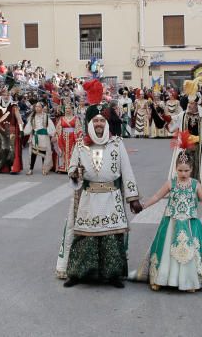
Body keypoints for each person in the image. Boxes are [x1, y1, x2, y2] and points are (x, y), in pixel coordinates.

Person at [58, 111, 141, 288]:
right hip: (89, 197)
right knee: (85, 236)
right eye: (95, 121)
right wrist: (74, 174)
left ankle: (113, 276)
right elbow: (72, 168)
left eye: (102, 121)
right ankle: (77, 274)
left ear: (107, 123)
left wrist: (133, 198)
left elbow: (126, 170)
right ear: (90, 123)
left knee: (111, 236)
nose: (99, 124)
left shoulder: (117, 143)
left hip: (112, 197)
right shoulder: (80, 144)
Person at [138, 153, 202, 292]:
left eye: (186, 170)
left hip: (190, 224)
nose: (183, 173)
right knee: (166, 251)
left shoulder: (195, 184)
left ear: (192, 169)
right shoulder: (171, 182)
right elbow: (158, 196)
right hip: (171, 222)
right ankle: (161, 278)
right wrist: (144, 205)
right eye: (180, 170)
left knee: (189, 251)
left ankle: (189, 280)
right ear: (175, 168)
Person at [168, 87, 202, 195]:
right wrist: (164, 118)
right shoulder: (183, 115)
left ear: (197, 104)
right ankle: (183, 186)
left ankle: (196, 188)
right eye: (189, 103)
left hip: (198, 146)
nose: (189, 105)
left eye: (192, 103)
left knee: (197, 167)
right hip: (186, 146)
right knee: (185, 165)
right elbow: (172, 122)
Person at [0, 88, 23, 174]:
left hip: (11, 130)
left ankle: (12, 166)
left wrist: (21, 130)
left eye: (7, 95)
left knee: (11, 149)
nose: (6, 96)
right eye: (4, 95)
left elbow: (19, 119)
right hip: (0, 130)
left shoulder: (14, 106)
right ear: (1, 96)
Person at [23, 100, 55, 175]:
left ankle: (44, 169)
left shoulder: (46, 117)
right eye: (36, 107)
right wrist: (24, 133)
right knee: (33, 153)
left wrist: (52, 134)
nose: (37, 108)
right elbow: (28, 127)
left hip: (44, 137)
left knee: (44, 153)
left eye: (39, 107)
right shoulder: (32, 117)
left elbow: (51, 126)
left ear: (42, 108)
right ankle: (31, 169)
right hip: (35, 137)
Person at [54, 102, 80, 173]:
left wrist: (76, 135)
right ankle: (64, 167)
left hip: (73, 137)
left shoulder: (75, 118)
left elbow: (78, 128)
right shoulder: (62, 118)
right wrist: (58, 135)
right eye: (66, 108)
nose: (67, 110)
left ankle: (72, 167)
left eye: (69, 108)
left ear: (71, 109)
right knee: (64, 152)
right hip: (63, 137)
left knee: (72, 152)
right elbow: (58, 128)